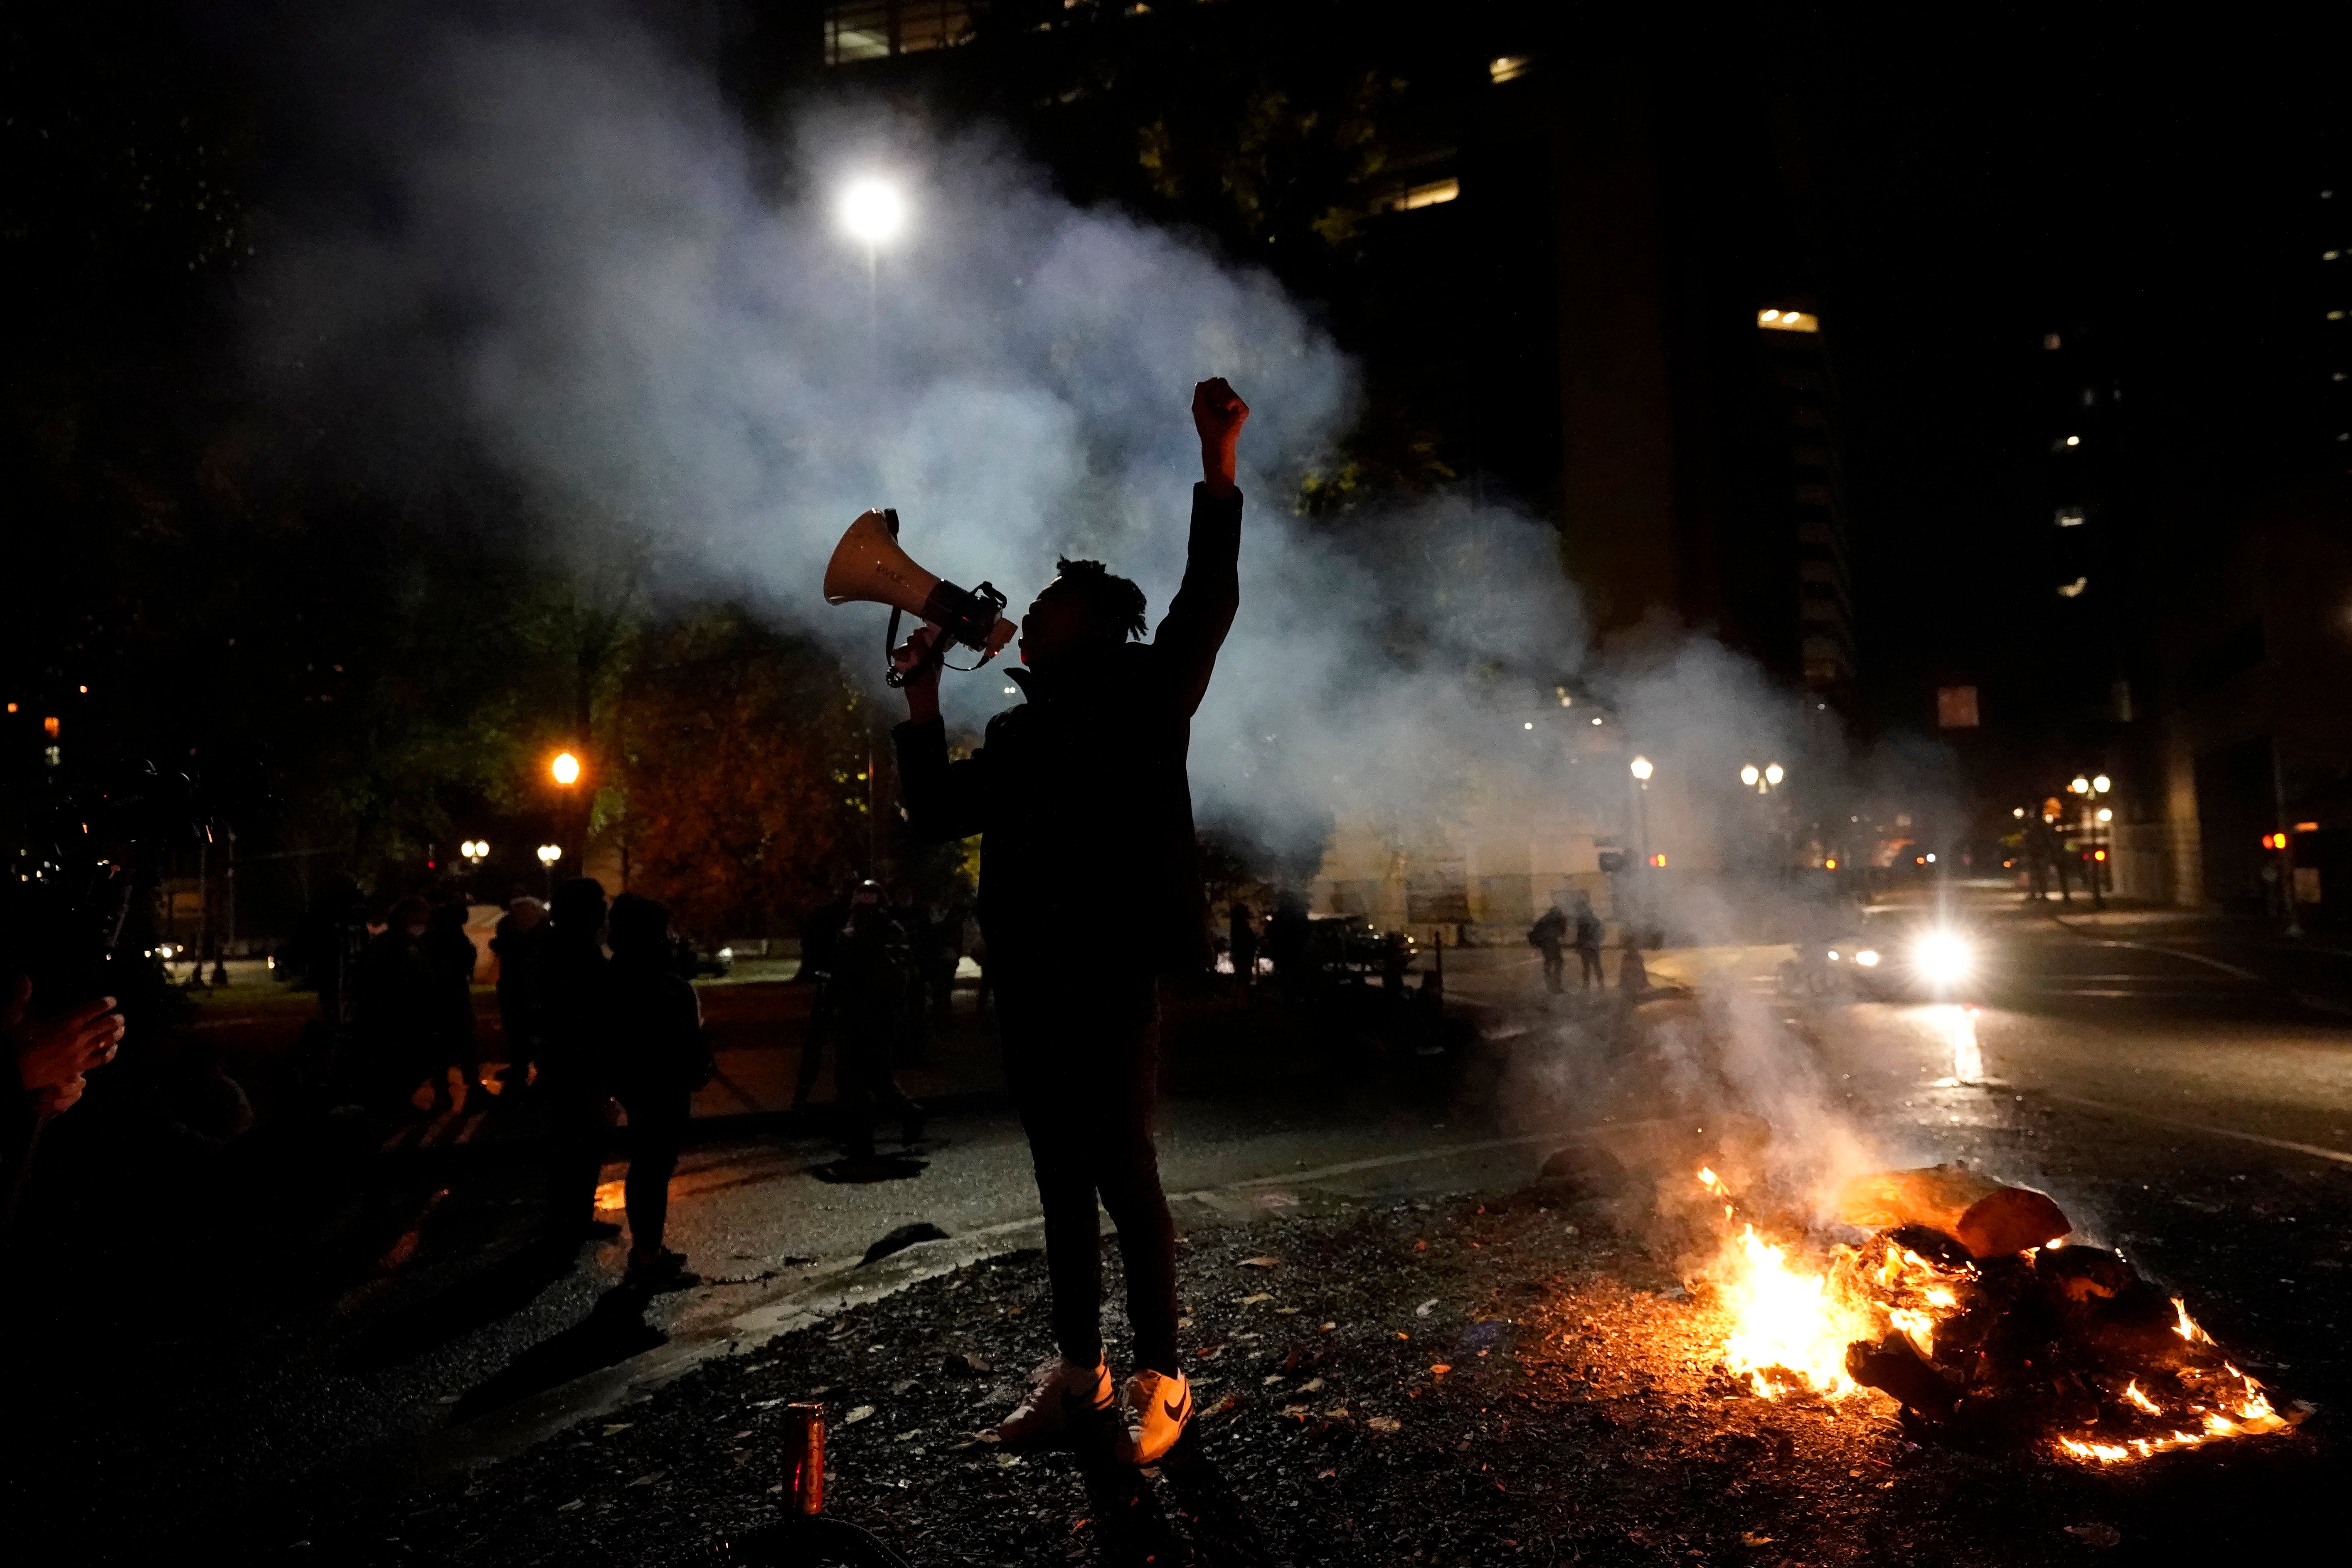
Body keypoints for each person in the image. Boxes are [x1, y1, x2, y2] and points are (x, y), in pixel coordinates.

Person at [894, 376, 1249, 1465]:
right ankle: (1078, 1371)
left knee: (1122, 1172)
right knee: (1060, 1174)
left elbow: (1210, 594)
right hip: (1033, 978)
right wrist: (918, 706)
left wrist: (1218, 460)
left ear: (1095, 622)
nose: (1026, 616)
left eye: (1050, 606)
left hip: (1107, 975)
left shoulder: (1149, 689)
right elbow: (934, 813)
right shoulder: (1015, 737)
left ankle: (1162, 1373)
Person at [606, 893, 713, 1286]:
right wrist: (699, 1066)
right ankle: (648, 1257)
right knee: (653, 1169)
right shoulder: (658, 981)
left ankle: (648, 1249)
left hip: (640, 1085)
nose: (675, 935)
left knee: (649, 1167)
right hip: (661, 1087)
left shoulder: (622, 971)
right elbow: (682, 1039)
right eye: (668, 927)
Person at [539, 877, 618, 1241]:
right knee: (582, 1144)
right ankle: (573, 1218)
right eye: (600, 904)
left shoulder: (553, 948)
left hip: (562, 1059)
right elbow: (596, 1010)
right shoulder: (580, 953)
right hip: (580, 1062)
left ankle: (565, 1216)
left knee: (567, 1144)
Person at [829, 881, 924, 1160]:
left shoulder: (852, 935)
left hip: (861, 1017)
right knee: (874, 1077)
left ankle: (863, 1140)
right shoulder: (892, 932)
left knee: (855, 1079)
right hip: (881, 1016)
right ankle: (898, 1119)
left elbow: (841, 978)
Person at [354, 896, 435, 1113]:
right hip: (394, 1015)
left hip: (411, 1013)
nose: (422, 925)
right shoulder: (387, 947)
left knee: (414, 1061)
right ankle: (393, 1103)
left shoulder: (415, 945)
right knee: (399, 1062)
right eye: (417, 919)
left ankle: (397, 1100)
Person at [422, 898, 486, 1114]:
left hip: (440, 998)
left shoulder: (432, 940)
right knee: (462, 1043)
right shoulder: (456, 940)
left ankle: (444, 1093)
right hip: (453, 997)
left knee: (440, 1046)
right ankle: (471, 1089)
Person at [492, 894, 549, 1100]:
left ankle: (525, 1074)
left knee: (526, 1037)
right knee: (526, 1037)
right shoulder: (535, 939)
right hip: (521, 994)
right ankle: (525, 1074)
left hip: (524, 994)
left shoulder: (517, 939)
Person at [1528, 898, 1568, 994]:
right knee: (1558, 963)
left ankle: (1550, 985)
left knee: (1549, 963)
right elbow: (1563, 930)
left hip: (1544, 943)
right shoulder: (1558, 917)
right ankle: (1556, 987)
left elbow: (1536, 929)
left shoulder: (1545, 918)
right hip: (1552, 942)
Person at [1571, 892, 1606, 990]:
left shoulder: (1582, 919)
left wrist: (1577, 946)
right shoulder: (1593, 918)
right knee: (1596, 965)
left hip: (1586, 946)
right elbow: (1600, 930)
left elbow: (1580, 935)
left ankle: (1586, 986)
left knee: (1587, 966)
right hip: (1593, 945)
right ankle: (1601, 985)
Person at [1227, 902, 1259, 990]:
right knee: (1243, 981)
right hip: (1244, 956)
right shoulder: (1242, 926)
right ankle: (1241, 1001)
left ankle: (1237, 1000)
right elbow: (1248, 941)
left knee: (1240, 980)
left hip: (1241, 956)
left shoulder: (1236, 926)